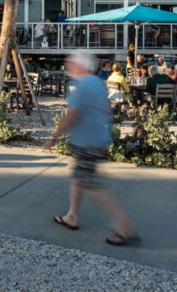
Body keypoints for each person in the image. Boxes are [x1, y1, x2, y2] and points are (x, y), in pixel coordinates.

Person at [44, 51, 138, 246]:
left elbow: (72, 115)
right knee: (79, 177)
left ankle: (123, 225)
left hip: (88, 142)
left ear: (81, 65)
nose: (68, 65)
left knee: (92, 184)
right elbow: (107, 109)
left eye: (71, 63)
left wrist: (54, 137)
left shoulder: (82, 85)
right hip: (96, 138)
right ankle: (72, 215)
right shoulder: (97, 82)